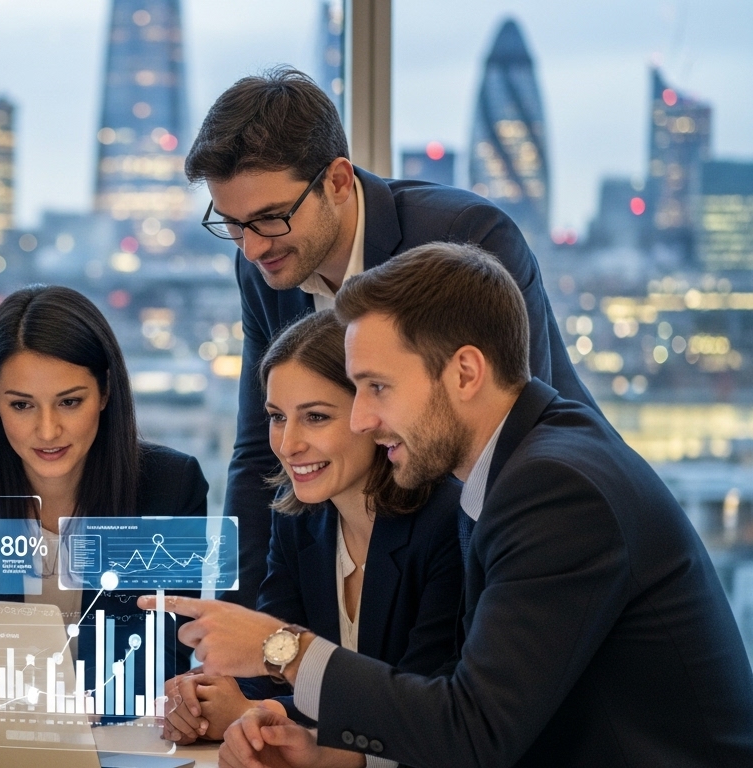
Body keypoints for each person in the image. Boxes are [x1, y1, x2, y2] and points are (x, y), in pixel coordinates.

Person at [173, 243, 753, 767]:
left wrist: (284, 650)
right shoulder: (529, 462)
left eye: (378, 387)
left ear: (466, 373)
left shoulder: (553, 490)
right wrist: (330, 758)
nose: (363, 419)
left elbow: (472, 734)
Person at [191, 66, 596, 610]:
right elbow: (256, 452)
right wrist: (231, 626)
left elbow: (506, 445)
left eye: (269, 219)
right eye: (232, 224)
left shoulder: (468, 239)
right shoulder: (263, 269)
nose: (252, 249)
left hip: (526, 539)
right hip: (374, 550)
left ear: (337, 180)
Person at [159, 311, 462, 745]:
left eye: (316, 417)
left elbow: (419, 711)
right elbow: (267, 677)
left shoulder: (447, 524)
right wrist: (205, 700)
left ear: (371, 414)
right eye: (277, 417)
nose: (287, 444)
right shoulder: (298, 521)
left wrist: (249, 713)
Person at [0, 284, 209, 684]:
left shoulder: (170, 487)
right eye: (22, 405)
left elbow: (165, 660)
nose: (48, 431)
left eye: (69, 402)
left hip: (119, 734)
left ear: (104, 392)